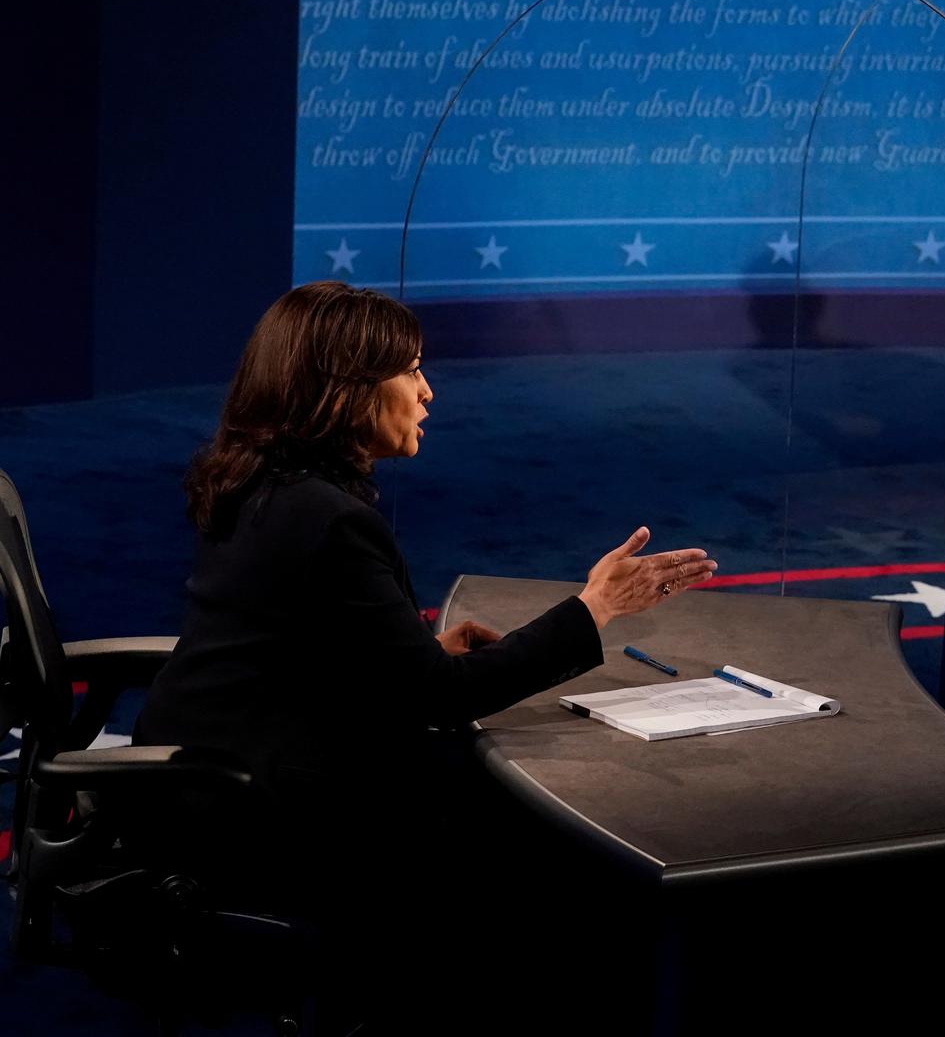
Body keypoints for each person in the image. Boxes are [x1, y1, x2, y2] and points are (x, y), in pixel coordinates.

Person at [133, 280, 716, 1028]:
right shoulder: (330, 519)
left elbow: (292, 645)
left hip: (214, 770)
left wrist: (408, 652)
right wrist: (596, 605)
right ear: (345, 390)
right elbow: (437, 696)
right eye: (408, 370)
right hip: (265, 808)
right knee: (525, 850)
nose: (427, 391)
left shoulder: (259, 479)